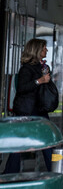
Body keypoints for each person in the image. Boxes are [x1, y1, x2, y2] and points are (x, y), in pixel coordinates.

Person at [3, 38, 56, 174]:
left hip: (39, 109)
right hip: (26, 111)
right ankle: (10, 172)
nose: (46, 50)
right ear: (37, 50)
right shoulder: (26, 69)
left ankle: (54, 169)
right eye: (44, 48)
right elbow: (22, 88)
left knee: (48, 140)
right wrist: (39, 81)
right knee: (20, 143)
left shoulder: (42, 67)